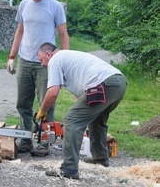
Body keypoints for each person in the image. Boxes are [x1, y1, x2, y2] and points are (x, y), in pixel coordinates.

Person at [35, 42, 127, 179]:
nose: (42, 64)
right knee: (96, 120)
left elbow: (53, 92)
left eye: (41, 59)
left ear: (48, 54)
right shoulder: (68, 58)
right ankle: (101, 158)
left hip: (103, 83)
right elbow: (81, 97)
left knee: (71, 120)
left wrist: (42, 111)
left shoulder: (55, 60)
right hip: (119, 83)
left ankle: (69, 168)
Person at [6, 0, 69, 153]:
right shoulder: (24, 5)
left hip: (46, 63)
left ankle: (44, 142)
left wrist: (63, 60)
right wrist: (11, 57)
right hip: (25, 59)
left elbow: (63, 34)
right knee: (23, 103)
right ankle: (26, 140)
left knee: (46, 103)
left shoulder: (55, 6)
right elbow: (20, 31)